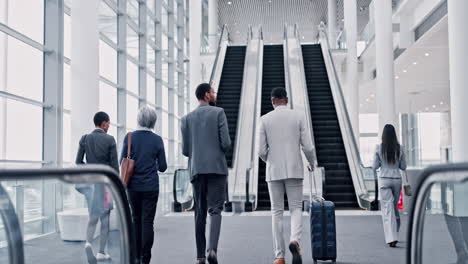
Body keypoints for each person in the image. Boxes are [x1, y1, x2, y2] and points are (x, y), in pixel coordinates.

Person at [258, 87, 315, 264]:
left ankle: (279, 256)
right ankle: (295, 240)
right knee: (296, 208)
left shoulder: (264, 119)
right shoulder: (298, 116)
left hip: (273, 170)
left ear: (273, 101)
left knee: (277, 211)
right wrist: (311, 163)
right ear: (287, 100)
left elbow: (260, 150)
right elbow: (307, 146)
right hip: (295, 168)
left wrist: (271, 159)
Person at [181, 83, 231, 264]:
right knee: (215, 209)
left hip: (197, 169)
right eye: (212, 91)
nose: (214, 94)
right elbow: (226, 143)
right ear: (206, 95)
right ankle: (212, 250)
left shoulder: (186, 119)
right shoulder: (219, 113)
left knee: (199, 212)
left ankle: (200, 256)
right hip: (217, 168)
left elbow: (186, 150)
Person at [120, 106, 167, 264]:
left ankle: (136, 256)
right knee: (147, 222)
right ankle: (145, 257)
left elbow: (122, 161)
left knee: (135, 219)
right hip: (151, 187)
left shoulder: (129, 137)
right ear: (153, 121)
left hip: (132, 186)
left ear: (138, 119)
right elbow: (162, 167)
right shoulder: (157, 140)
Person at [75, 111, 119, 263]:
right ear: (104, 123)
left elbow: (78, 163)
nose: (109, 126)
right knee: (105, 218)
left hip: (91, 185)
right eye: (108, 123)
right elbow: (114, 168)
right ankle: (101, 252)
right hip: (105, 186)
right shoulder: (109, 140)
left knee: (93, 216)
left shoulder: (85, 138)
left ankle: (88, 243)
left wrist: (91, 168)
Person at [372, 124, 407, 247]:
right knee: (394, 207)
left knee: (387, 208)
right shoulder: (400, 148)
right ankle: (395, 230)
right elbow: (403, 167)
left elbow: (375, 166)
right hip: (397, 179)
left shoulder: (378, 148)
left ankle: (392, 237)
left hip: (384, 180)